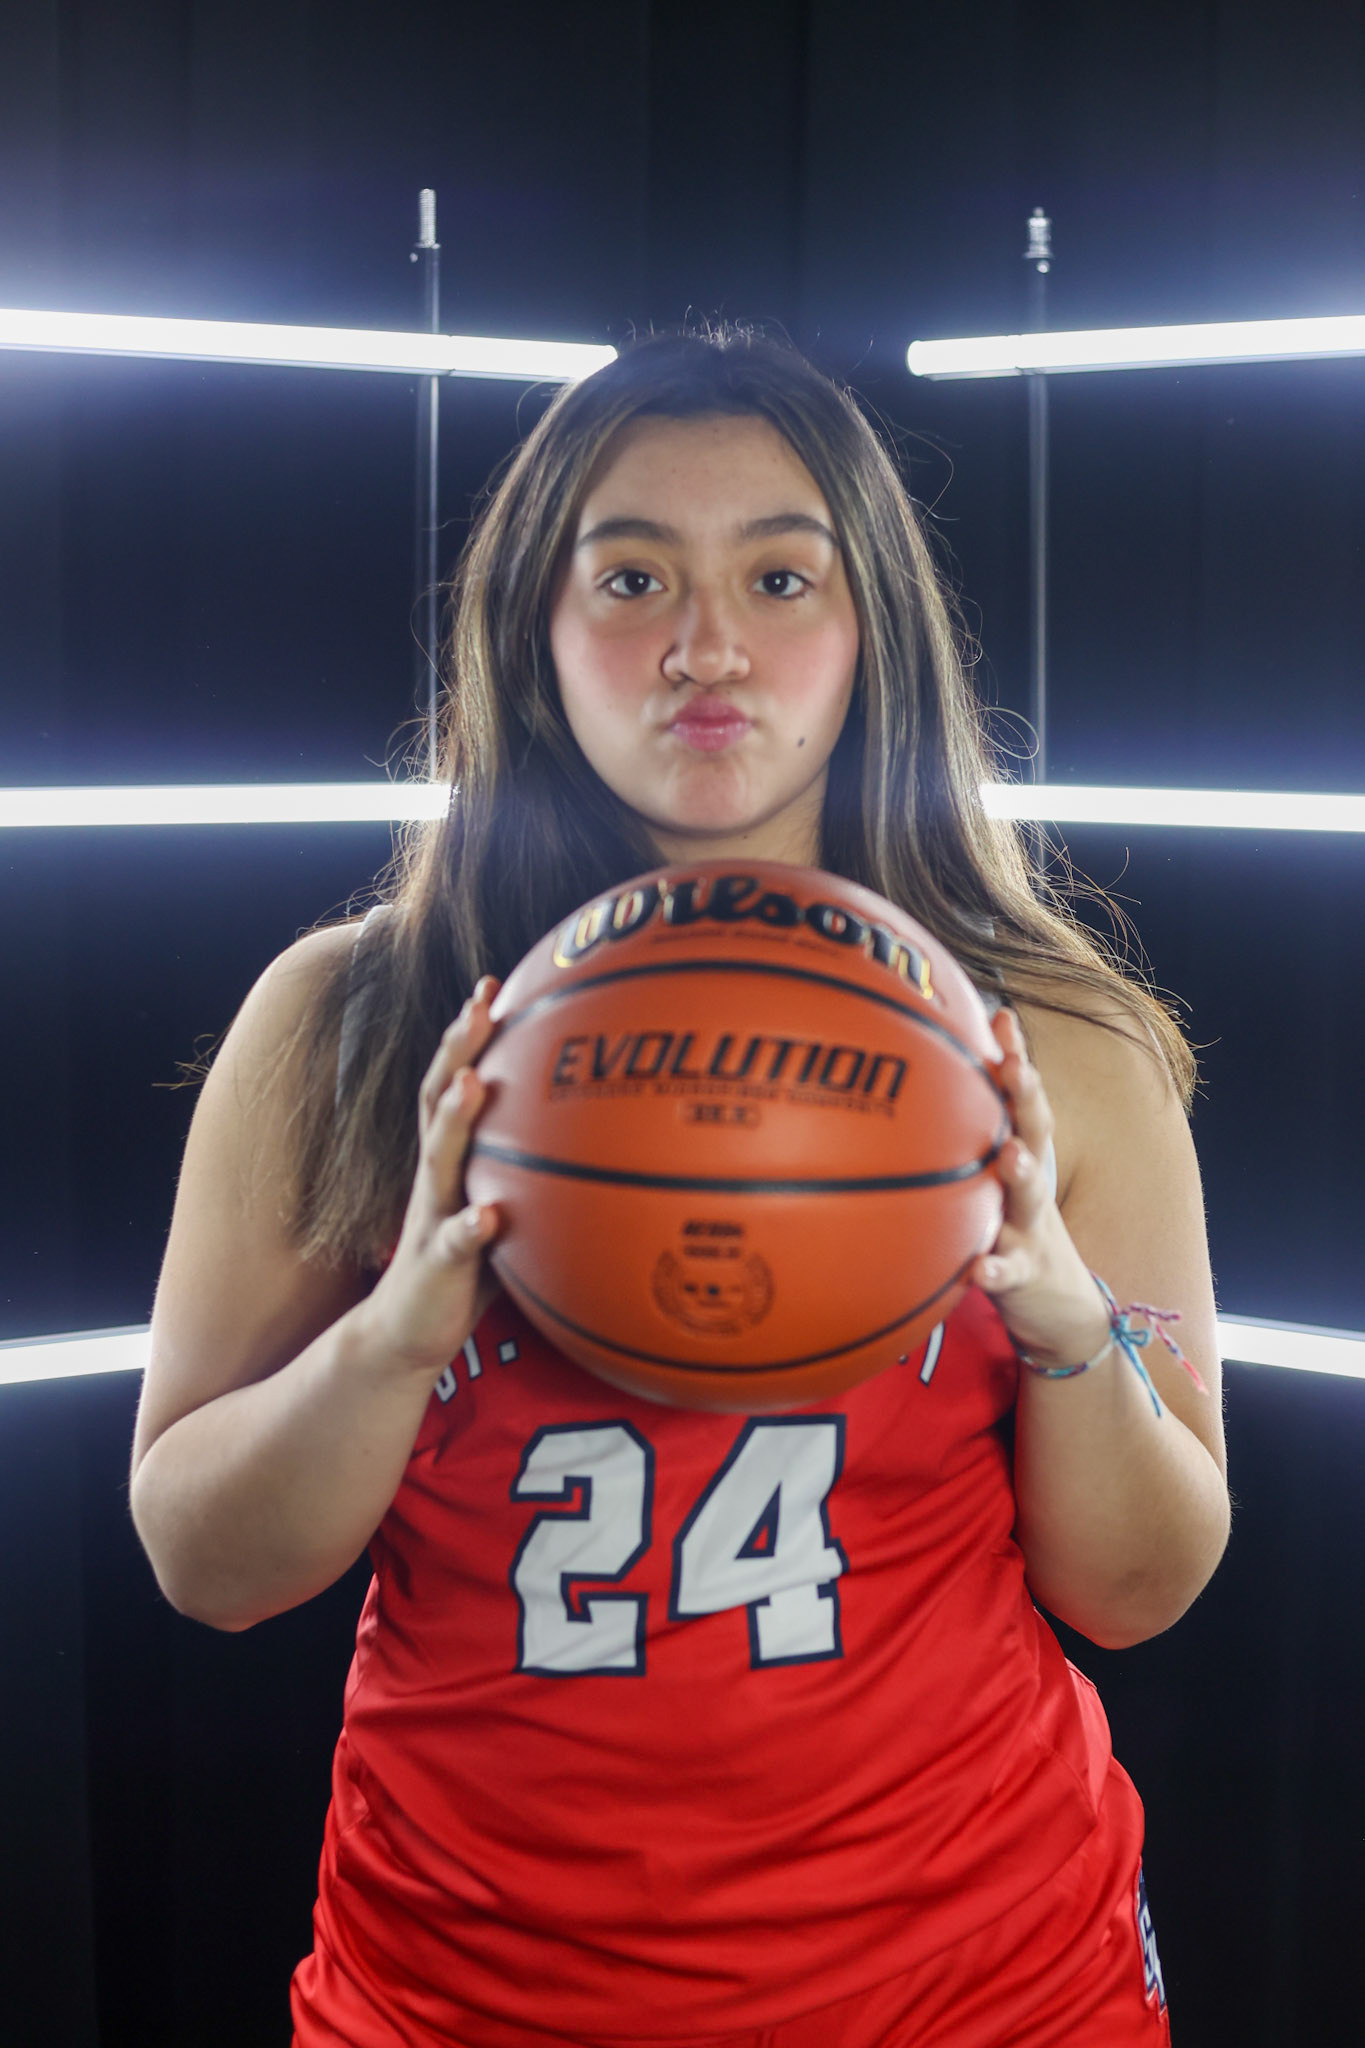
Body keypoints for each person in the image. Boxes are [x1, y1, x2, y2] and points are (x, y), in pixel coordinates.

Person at [129, 325, 1229, 2048]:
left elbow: (1139, 1592)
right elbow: (207, 1565)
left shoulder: (1051, 1042)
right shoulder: (354, 1018)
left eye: (780, 578)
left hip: (982, 1985)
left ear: (870, 629)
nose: (705, 645)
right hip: (469, 1989)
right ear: (534, 627)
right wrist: (393, 1334)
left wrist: (1062, 1318)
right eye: (630, 577)